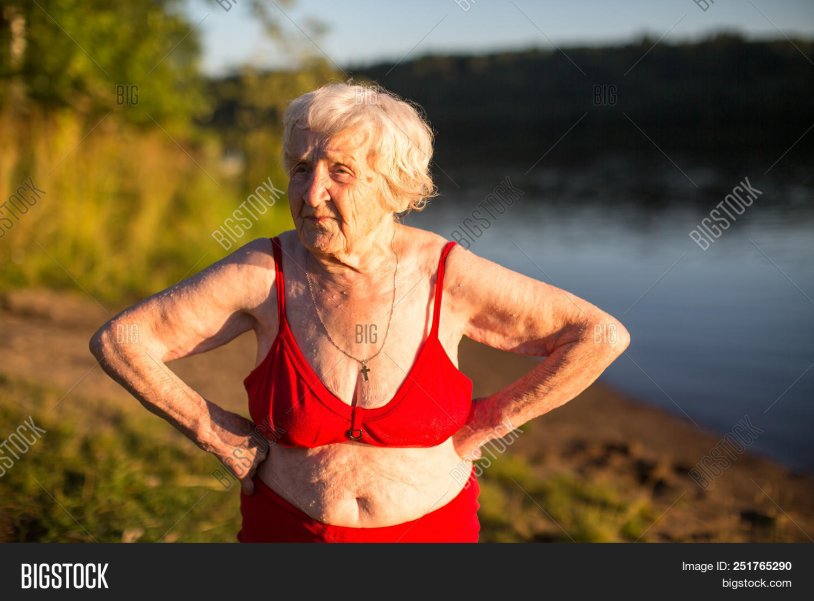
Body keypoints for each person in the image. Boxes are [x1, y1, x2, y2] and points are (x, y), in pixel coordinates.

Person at [89, 82, 630, 542]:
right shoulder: (262, 271)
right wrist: (212, 431)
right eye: (301, 168)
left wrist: (495, 421)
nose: (311, 191)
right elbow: (121, 341)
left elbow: (598, 335)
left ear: (393, 187)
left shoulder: (447, 275)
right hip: (287, 535)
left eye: (339, 172)